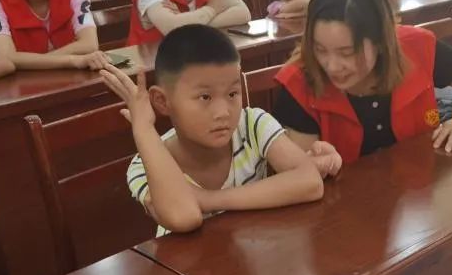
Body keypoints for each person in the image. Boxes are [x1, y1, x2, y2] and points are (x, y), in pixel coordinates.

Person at [103, 24, 328, 235]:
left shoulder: (251, 124)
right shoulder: (146, 162)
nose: (223, 112)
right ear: (162, 101)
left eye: (232, 94)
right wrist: (143, 128)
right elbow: (184, 217)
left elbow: (310, 182)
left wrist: (208, 199)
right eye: (205, 97)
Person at [273, 0, 452, 162]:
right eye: (320, 49)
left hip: (420, 186)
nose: (332, 65)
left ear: (379, 41)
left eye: (347, 53)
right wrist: (315, 165)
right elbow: (304, 176)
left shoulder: (414, 47)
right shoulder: (298, 83)